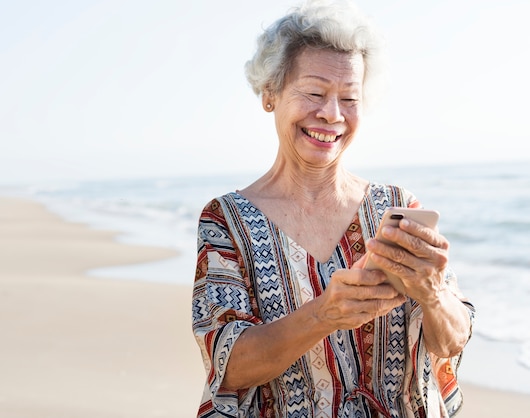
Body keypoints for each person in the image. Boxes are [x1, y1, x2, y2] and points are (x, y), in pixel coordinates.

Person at [191, 0, 475, 417]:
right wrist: (323, 315)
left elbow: (453, 340)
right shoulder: (226, 222)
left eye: (349, 98)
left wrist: (432, 293)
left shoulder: (396, 208)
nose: (332, 114)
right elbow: (228, 367)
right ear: (271, 93)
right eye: (314, 92)